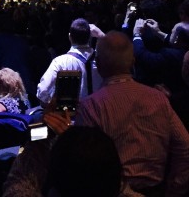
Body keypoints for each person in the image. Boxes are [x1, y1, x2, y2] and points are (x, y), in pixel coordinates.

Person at [76, 31, 189, 196]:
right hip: (156, 190)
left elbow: (85, 166)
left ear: (98, 65)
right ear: (133, 63)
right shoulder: (159, 99)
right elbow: (185, 148)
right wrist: (174, 188)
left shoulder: (90, 106)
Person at [36, 18, 104, 106]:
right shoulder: (103, 59)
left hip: (71, 117)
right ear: (90, 37)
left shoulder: (60, 62)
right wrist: (102, 35)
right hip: (99, 114)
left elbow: (43, 92)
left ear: (70, 37)